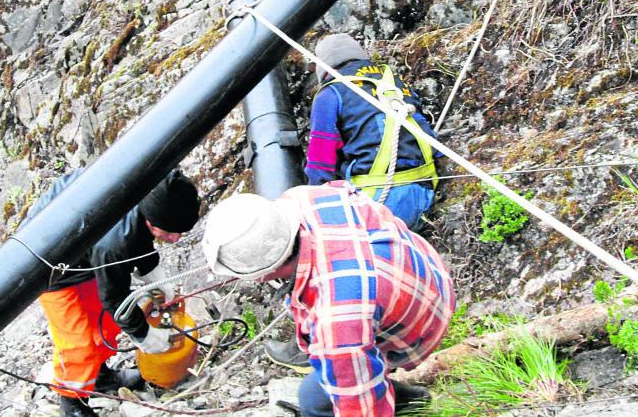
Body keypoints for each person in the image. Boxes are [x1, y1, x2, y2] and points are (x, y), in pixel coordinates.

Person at [202, 182, 455, 417]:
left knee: (314, 400)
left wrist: (346, 369)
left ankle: (401, 399)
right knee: (336, 358)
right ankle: (402, 393)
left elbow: (361, 409)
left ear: (262, 275)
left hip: (421, 322)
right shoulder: (301, 198)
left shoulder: (338, 319)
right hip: (426, 269)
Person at [23, 168, 200, 417]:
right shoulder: (113, 242)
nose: (174, 238)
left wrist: (158, 281)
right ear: (152, 219)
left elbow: (139, 241)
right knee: (79, 343)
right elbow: (115, 298)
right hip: (49, 268)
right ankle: (72, 403)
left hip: (84, 254)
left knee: (104, 326)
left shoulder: (143, 194)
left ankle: (100, 376)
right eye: (169, 232)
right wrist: (145, 336)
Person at [305, 33, 440, 231]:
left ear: (324, 68)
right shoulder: (394, 82)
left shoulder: (330, 94)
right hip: (424, 194)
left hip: (378, 204)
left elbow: (320, 166)